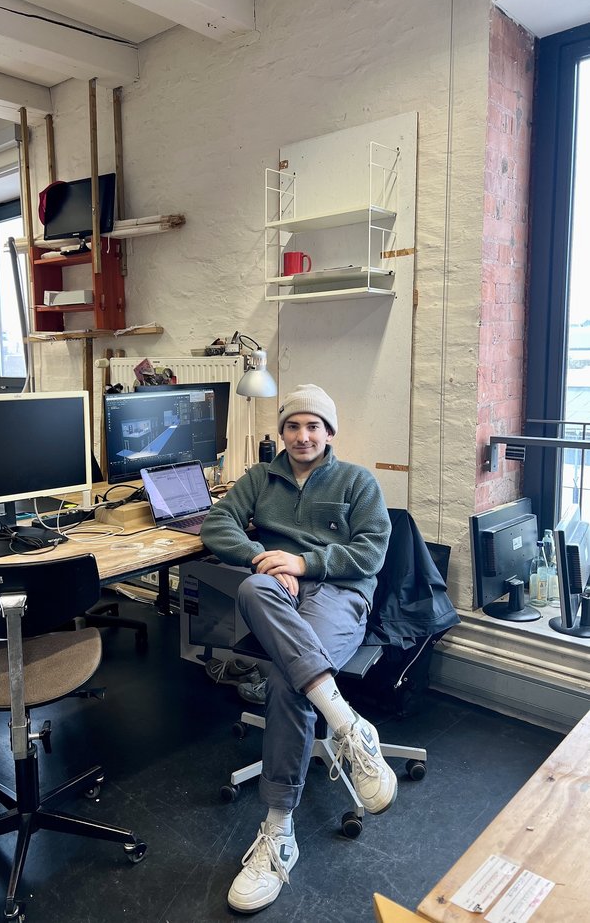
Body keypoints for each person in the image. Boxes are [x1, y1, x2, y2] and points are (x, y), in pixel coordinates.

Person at [200, 384, 394, 914]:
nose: (303, 436)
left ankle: (278, 829)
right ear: (281, 433)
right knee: (249, 585)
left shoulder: (357, 481)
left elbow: (371, 551)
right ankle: (348, 725)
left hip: (339, 594)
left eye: (314, 426)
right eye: (293, 426)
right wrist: (265, 558)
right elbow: (217, 522)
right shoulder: (260, 478)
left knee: (289, 679)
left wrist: (303, 564)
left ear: (330, 433)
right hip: (277, 593)